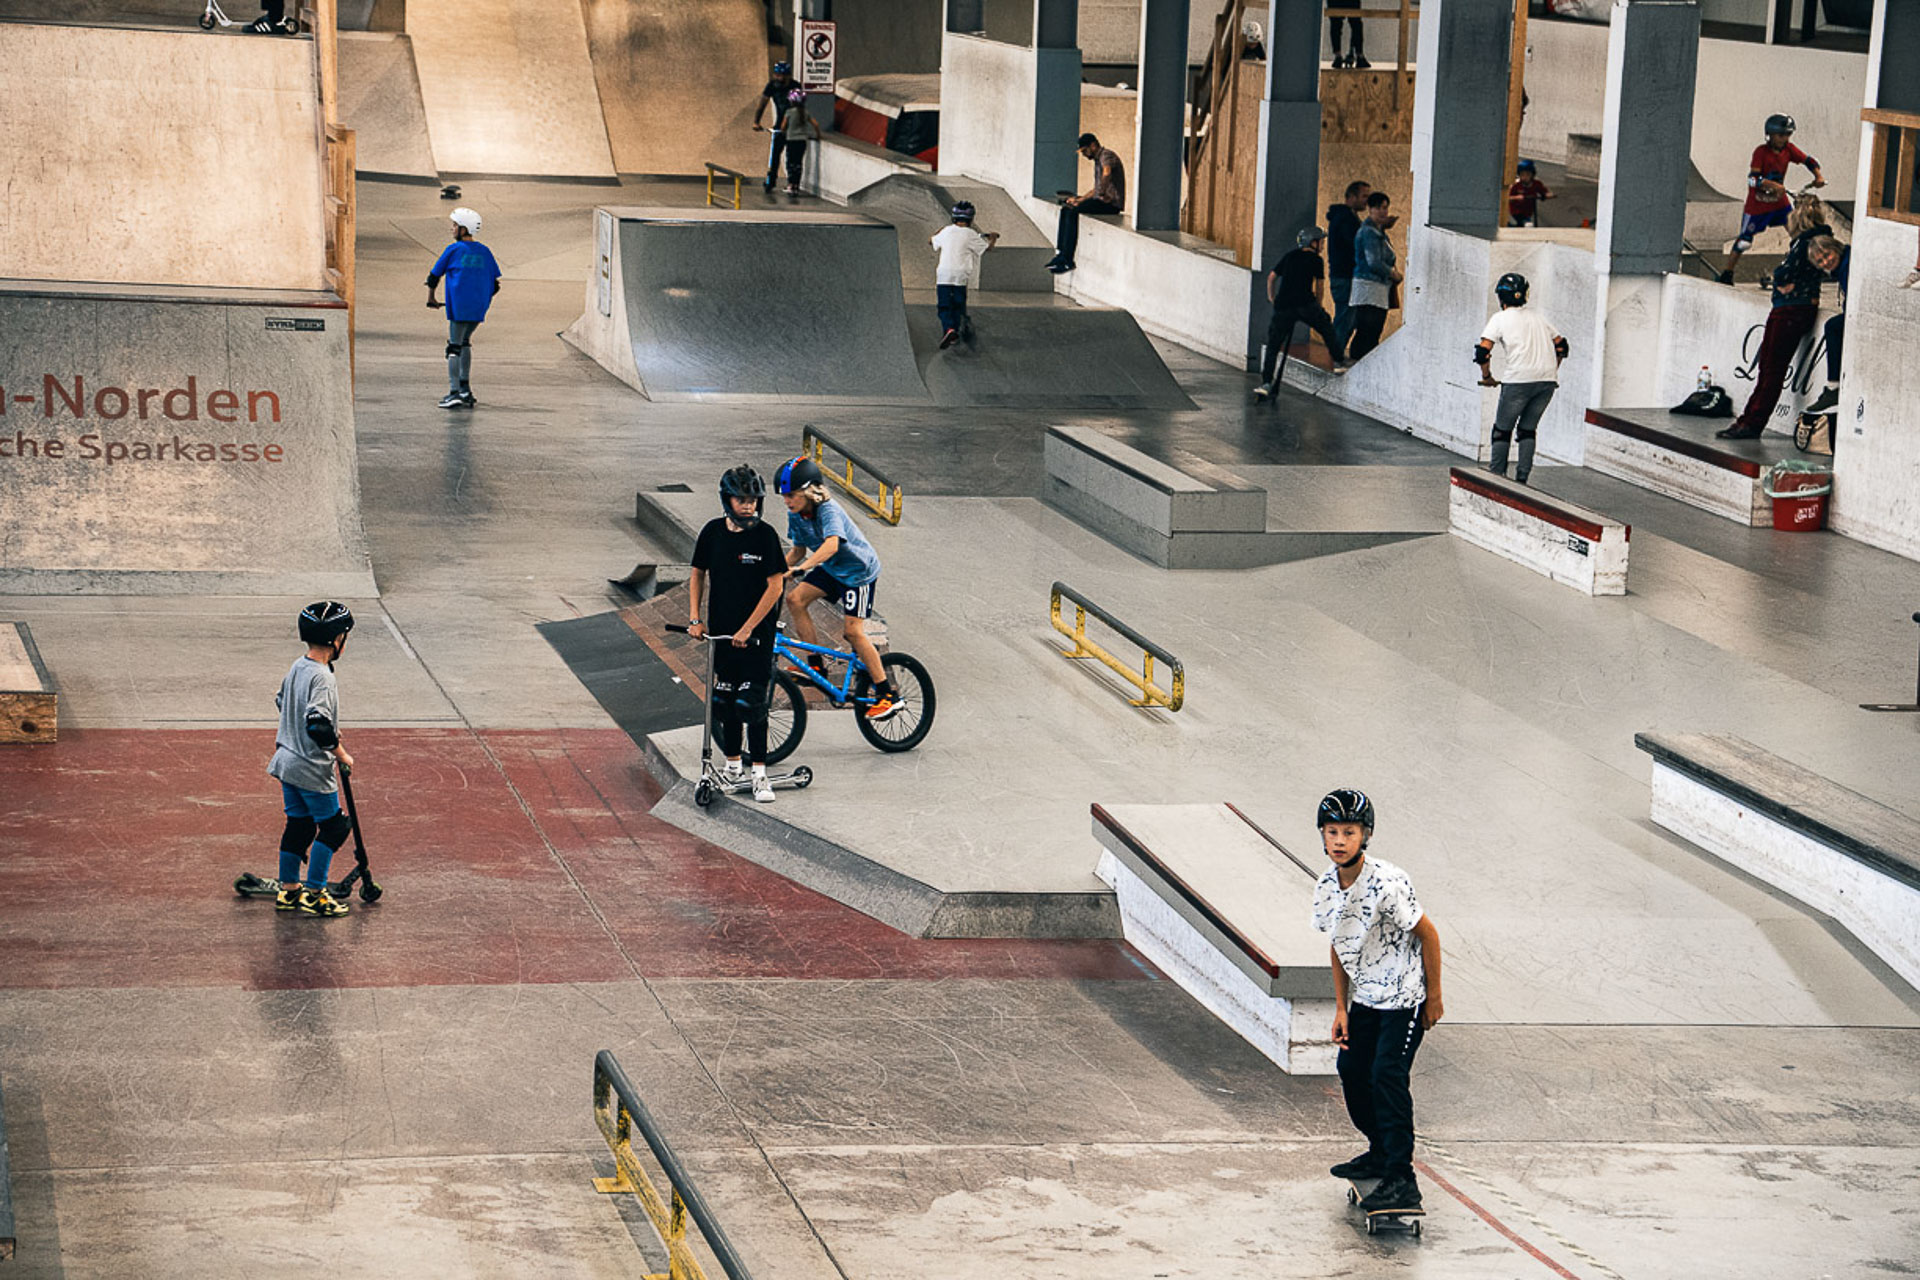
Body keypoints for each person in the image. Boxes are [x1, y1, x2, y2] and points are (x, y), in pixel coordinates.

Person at [1312, 789, 1444, 1217]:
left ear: (1364, 835)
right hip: (1366, 998)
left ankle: (1402, 1180)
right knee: (1351, 1070)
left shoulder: (1387, 883)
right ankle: (1380, 1151)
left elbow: (1429, 934)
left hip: (1404, 999)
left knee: (1387, 1075)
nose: (1339, 840)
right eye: (1332, 832)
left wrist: (1435, 998)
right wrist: (1340, 1008)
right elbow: (1338, 945)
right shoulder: (1326, 887)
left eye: (1348, 832)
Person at [689, 466, 788, 803]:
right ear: (726, 500)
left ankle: (760, 775)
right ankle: (732, 766)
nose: (748, 506)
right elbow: (697, 573)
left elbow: (776, 585)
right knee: (725, 702)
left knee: (751, 703)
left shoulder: (766, 536)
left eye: (753, 500)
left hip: (756, 638)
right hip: (721, 635)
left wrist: (748, 627)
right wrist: (694, 618)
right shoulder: (713, 533)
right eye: (741, 499)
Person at [775, 456, 900, 722]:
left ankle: (887, 695)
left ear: (810, 491)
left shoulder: (829, 510)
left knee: (852, 633)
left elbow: (832, 544)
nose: (787, 501)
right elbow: (797, 551)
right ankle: (816, 665)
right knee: (795, 599)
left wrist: (803, 568)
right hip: (832, 569)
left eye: (792, 495)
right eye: (784, 496)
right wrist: (775, 574)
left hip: (858, 573)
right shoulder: (795, 515)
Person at [266, 602, 358, 917]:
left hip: (286, 761)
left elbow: (282, 701)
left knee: (300, 826)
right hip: (310, 767)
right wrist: (341, 752)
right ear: (336, 639)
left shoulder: (298, 666)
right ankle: (316, 893)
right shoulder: (323, 676)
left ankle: (288, 892)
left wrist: (323, 727)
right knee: (334, 828)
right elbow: (317, 725)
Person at [1718, 196, 1832, 440]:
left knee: (1771, 370)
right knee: (1769, 368)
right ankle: (1749, 420)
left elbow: (1783, 274)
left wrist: (1782, 281)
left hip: (1790, 309)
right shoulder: (1815, 241)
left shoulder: (1804, 244)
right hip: (1794, 308)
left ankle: (1752, 421)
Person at [1473, 273, 1568, 485]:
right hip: (1547, 382)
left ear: (1501, 297)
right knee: (1527, 429)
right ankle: (1522, 479)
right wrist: (1552, 369)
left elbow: (1483, 352)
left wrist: (1487, 376)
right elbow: (1562, 346)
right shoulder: (1538, 317)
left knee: (1502, 431)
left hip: (1518, 381)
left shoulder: (1499, 319)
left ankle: (1496, 478)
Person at [1719, 113, 1825, 285]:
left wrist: (1818, 176)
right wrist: (1770, 184)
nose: (1785, 139)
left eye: (1788, 135)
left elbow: (1808, 160)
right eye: (1781, 135)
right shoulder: (1761, 152)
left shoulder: (1789, 150)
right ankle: (1727, 273)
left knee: (1798, 233)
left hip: (1779, 202)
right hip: (1757, 204)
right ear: (1770, 135)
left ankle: (1806, 267)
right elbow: (1752, 179)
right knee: (1744, 241)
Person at [1255, 227, 1349, 399]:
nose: (1322, 245)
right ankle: (1338, 362)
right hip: (1305, 303)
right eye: (1321, 241)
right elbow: (1319, 285)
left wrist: (1273, 299)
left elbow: (1271, 278)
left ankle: (1266, 383)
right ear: (1313, 242)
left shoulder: (1289, 256)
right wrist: (1319, 307)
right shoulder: (1316, 260)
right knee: (1327, 328)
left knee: (1274, 345)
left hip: (1283, 306)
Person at [426, 208, 501, 410]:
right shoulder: (485, 251)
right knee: (466, 342)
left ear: (462, 228)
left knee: (454, 347)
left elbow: (434, 276)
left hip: (458, 307)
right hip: (478, 308)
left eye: (454, 225)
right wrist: (480, 299)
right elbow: (495, 285)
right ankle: (466, 390)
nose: (451, 229)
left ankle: (454, 392)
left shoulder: (453, 250)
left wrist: (431, 298)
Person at [1045, 134, 1125, 275]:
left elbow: (1106, 173)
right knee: (1066, 209)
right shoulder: (1098, 160)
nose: (1083, 154)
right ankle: (1061, 253)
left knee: (1072, 212)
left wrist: (1101, 194)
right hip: (1102, 200)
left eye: (1084, 151)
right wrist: (1080, 199)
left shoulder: (1106, 155)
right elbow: (1097, 187)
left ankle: (1068, 259)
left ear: (1093, 146)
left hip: (1111, 204)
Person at [931, 201, 998, 349]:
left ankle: (949, 329)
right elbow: (987, 248)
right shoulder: (971, 234)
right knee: (958, 305)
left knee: (944, 305)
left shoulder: (946, 231)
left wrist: (939, 231)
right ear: (971, 219)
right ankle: (954, 332)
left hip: (944, 275)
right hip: (960, 276)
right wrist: (992, 238)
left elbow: (931, 241)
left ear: (953, 217)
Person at [1347, 192, 1400, 360]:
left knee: (1371, 330)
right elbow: (1373, 262)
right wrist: (1393, 273)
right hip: (1370, 287)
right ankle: (1360, 362)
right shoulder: (1370, 232)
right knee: (1369, 330)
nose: (1383, 212)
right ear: (1370, 209)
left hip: (1377, 288)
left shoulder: (1379, 231)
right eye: (1379, 208)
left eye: (1385, 208)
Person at [1803, 235, 1847, 416]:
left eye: (1828, 255)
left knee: (1833, 327)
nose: (1826, 262)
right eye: (1820, 261)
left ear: (1836, 248)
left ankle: (1833, 387)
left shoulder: (1846, 266)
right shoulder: (1842, 266)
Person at [1326, 180, 1371, 346]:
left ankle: (1335, 352)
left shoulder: (1348, 217)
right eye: (1364, 196)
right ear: (1351, 197)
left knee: (1348, 319)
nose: (1367, 200)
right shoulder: (1345, 219)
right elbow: (1354, 245)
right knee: (1345, 319)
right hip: (1345, 276)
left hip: (1344, 275)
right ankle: (1335, 354)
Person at [751, 61, 798, 191]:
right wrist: (756, 121)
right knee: (775, 154)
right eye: (778, 75)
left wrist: (787, 124)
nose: (780, 78)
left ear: (789, 75)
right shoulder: (772, 86)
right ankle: (770, 181)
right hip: (779, 125)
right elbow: (762, 104)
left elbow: (796, 108)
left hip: (793, 126)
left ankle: (792, 183)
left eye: (783, 76)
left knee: (792, 156)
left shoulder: (795, 86)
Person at [776, 88, 821, 196]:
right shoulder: (805, 112)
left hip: (791, 141)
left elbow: (783, 126)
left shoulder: (789, 112)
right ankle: (796, 185)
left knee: (790, 163)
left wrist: (783, 131)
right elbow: (816, 124)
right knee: (798, 163)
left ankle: (791, 185)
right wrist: (817, 136)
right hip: (802, 141)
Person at [1507, 159, 1554, 227]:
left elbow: (1547, 192)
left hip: (1528, 211)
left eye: (1528, 175)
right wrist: (1516, 197)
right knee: (1527, 224)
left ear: (1532, 175)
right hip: (1516, 212)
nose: (1525, 177)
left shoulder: (1536, 184)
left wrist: (1546, 195)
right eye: (1522, 175)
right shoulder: (1516, 185)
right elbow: (1507, 198)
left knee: (1525, 224)